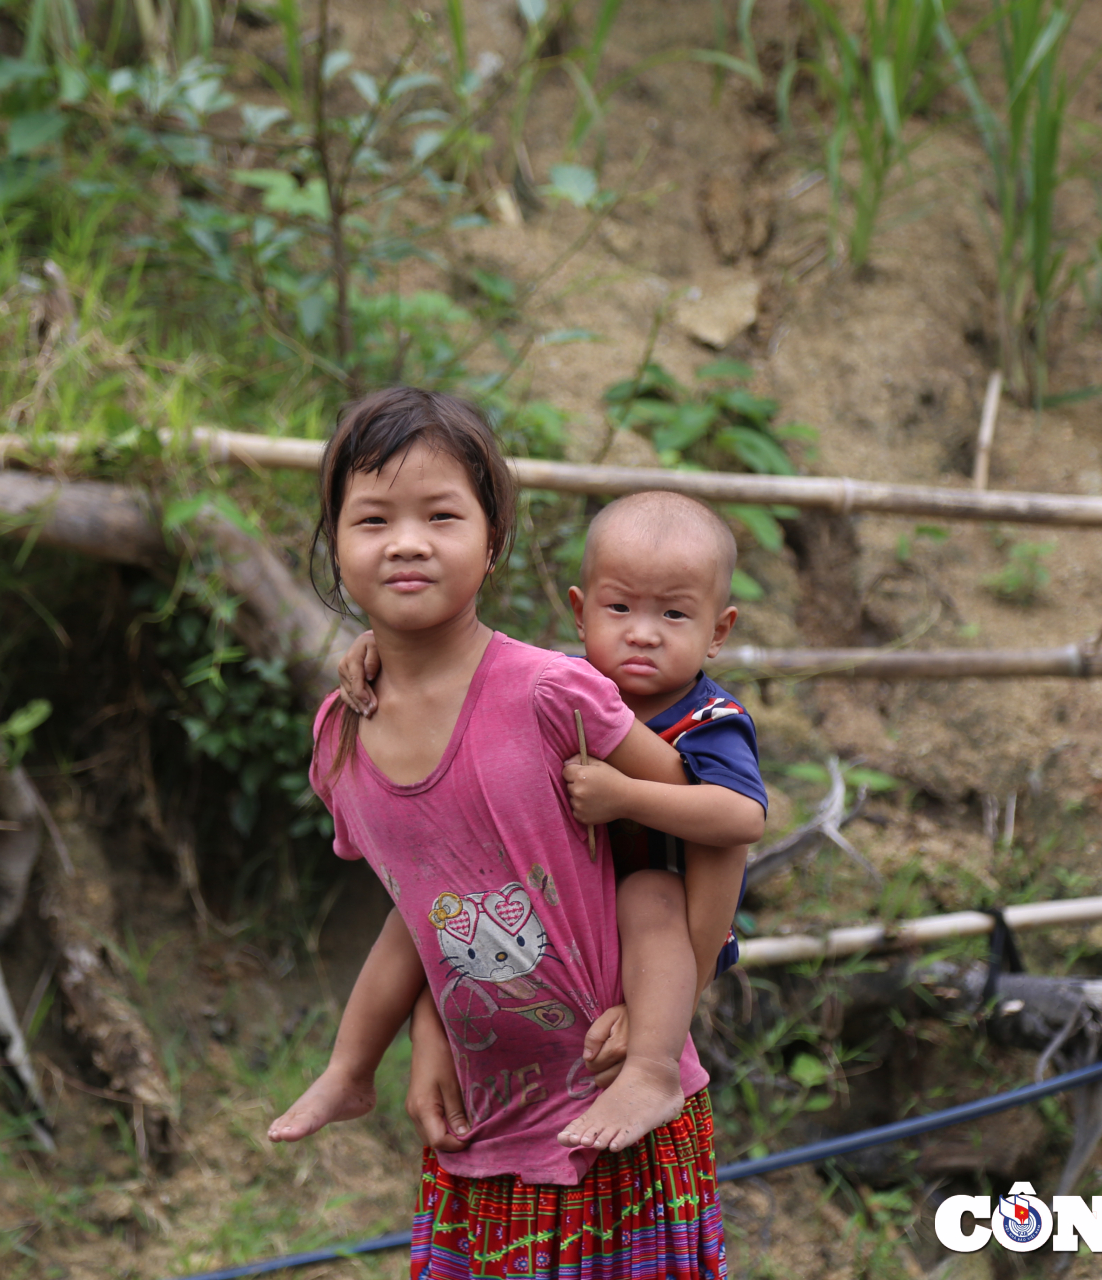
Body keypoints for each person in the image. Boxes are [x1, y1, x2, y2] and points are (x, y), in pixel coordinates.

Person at [271, 387, 728, 1278]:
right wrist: (427, 1039)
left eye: (441, 514)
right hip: (480, 1131)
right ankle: (346, 1069)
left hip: (615, 1119)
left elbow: (689, 814)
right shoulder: (342, 735)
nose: (406, 540)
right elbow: (434, 900)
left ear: (491, 545)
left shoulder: (550, 692)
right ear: (334, 546)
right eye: (373, 519)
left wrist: (657, 1029)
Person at [301, 490, 767, 1154]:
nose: (642, 632)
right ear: (580, 613)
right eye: (620, 608)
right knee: (410, 922)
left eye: (673, 614)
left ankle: (653, 1069)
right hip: (554, 908)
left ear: (717, 632)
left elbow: (740, 818)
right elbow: (472, 667)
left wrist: (625, 796)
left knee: (646, 893)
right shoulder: (561, 685)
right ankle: (349, 1068)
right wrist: (381, 644)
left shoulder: (710, 721)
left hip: (664, 923)